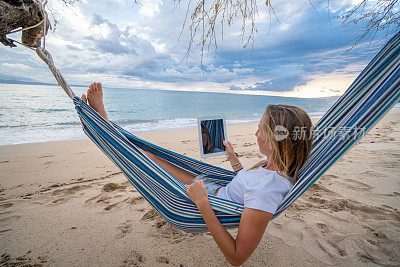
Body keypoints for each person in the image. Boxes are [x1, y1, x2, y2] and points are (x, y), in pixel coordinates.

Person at [82, 82, 313, 266]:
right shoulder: (275, 165)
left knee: (146, 159)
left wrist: (202, 203)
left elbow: (237, 257)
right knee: (152, 157)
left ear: (275, 141)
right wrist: (235, 162)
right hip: (211, 190)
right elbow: (248, 189)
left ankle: (104, 123)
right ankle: (105, 124)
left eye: (261, 130)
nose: (255, 133)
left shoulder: (267, 189)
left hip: (203, 201)